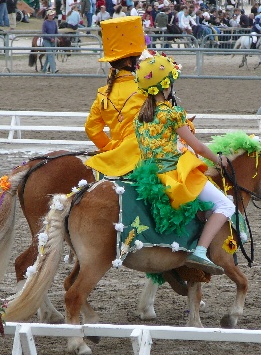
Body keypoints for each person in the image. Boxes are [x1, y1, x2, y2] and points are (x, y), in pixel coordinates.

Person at [133, 50, 234, 275]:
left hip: (151, 177)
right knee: (227, 205)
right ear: (166, 86)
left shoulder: (139, 118)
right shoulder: (173, 114)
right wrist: (219, 159)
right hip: (175, 175)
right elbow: (197, 147)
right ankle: (200, 251)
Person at [84, 16, 147, 177]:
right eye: (137, 57)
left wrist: (111, 147)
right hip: (143, 158)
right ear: (128, 61)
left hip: (114, 158)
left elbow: (92, 129)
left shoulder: (102, 93)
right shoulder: (146, 89)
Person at [42, 9, 59, 73]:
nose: (52, 16)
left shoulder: (54, 22)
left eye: (53, 15)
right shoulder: (45, 23)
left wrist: (57, 38)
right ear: (48, 15)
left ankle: (44, 69)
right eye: (51, 15)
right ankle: (53, 69)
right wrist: (50, 38)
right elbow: (44, 33)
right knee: (50, 54)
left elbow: (56, 32)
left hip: (53, 41)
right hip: (47, 40)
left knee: (49, 56)